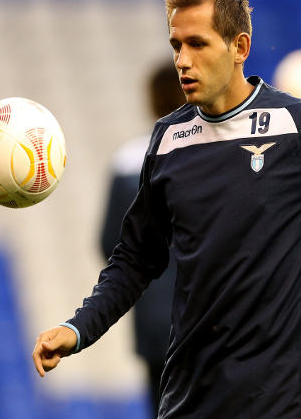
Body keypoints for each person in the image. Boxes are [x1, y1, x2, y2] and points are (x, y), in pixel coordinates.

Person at [32, 0, 301, 419]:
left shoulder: (298, 129)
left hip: (275, 405)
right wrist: (78, 329)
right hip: (187, 402)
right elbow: (135, 259)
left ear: (239, 47)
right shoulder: (168, 140)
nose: (182, 60)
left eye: (197, 44)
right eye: (176, 46)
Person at [100, 63, 186, 417]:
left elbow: (110, 243)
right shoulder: (217, 154)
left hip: (155, 323)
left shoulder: (128, 162)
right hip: (211, 317)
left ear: (151, 101)